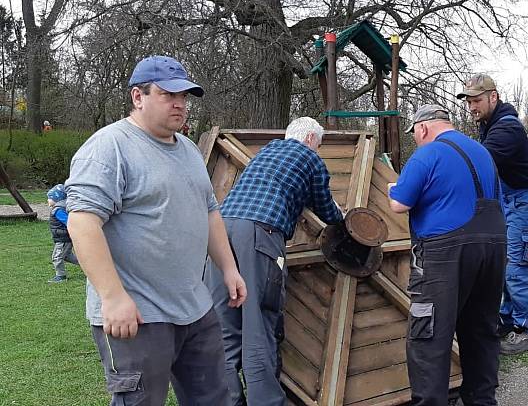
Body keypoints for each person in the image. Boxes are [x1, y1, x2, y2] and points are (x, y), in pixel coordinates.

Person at [65, 55, 247, 405]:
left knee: (216, 399)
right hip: (138, 315)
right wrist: (113, 297)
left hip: (195, 308)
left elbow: (209, 211)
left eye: (184, 97)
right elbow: (82, 221)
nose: (180, 104)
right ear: (138, 97)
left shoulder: (190, 150)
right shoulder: (111, 147)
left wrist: (229, 268)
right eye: (168, 95)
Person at [204, 116, 344, 406]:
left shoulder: (266, 152)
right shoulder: (309, 157)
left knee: (224, 329)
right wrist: (342, 217)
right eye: (318, 144)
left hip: (219, 232)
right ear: (309, 140)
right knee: (258, 323)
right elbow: (326, 210)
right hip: (259, 234)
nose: (317, 150)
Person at [388, 105, 506, 405]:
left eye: (414, 133)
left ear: (423, 128)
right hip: (493, 248)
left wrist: (394, 189)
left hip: (445, 251)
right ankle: (481, 400)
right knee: (481, 329)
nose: (415, 139)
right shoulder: (482, 153)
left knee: (429, 334)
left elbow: (399, 205)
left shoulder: (428, 154)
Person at [458, 73, 528, 355]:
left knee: (520, 265)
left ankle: (526, 330)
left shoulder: (506, 130)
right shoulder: (490, 124)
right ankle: (509, 319)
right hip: (512, 200)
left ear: (493, 97)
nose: (472, 106)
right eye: (469, 102)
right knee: (506, 264)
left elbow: (479, 161)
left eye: (477, 100)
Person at [46, 183, 79, 283]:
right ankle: (89, 265)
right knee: (67, 256)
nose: (48, 200)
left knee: (57, 257)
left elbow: (68, 222)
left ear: (57, 199)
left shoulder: (58, 210)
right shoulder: (60, 208)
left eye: (49, 198)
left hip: (64, 238)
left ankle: (61, 276)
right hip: (62, 237)